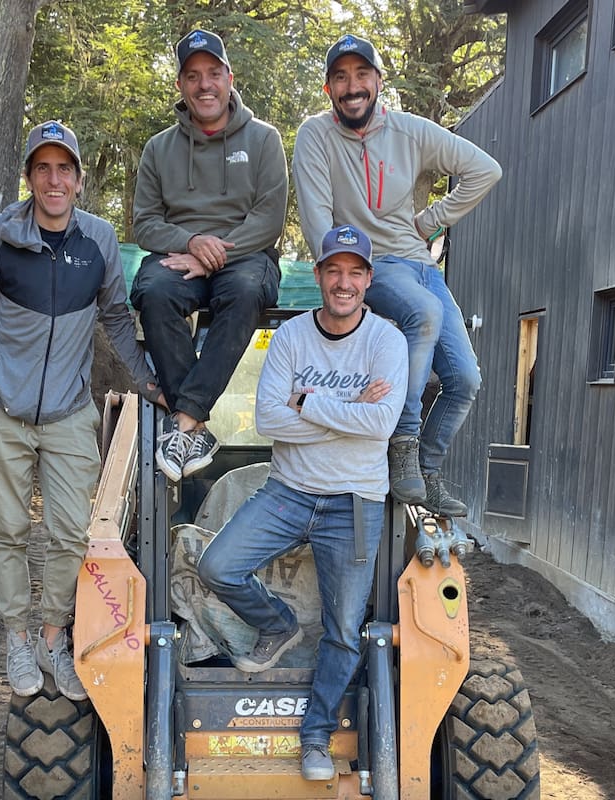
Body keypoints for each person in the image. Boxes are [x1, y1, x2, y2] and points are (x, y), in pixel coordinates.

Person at [0, 120, 162, 699]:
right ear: (29, 177)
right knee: (11, 530)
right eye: (42, 168)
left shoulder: (99, 242)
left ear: (78, 179)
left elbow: (117, 318)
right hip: (2, 406)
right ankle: (18, 640)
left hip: (70, 408)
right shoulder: (0, 236)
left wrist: (150, 383)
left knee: (72, 531)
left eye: (63, 168)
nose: (53, 179)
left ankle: (53, 638)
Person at [197, 224, 407, 781]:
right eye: (333, 270)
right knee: (218, 565)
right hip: (289, 491)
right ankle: (278, 622)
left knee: (344, 628)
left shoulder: (387, 341)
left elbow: (381, 425)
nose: (343, 282)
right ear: (318, 276)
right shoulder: (291, 336)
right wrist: (348, 408)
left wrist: (309, 400)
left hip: (354, 502)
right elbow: (269, 420)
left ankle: (315, 735)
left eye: (354, 272)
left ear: (367, 280)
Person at [293, 33, 502, 517]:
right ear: (328, 89)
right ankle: (402, 441)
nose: (352, 87)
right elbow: (317, 222)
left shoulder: (409, 131)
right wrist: (342, 274)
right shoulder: (315, 136)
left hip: (421, 265)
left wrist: (430, 222)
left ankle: (427, 470)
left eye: (361, 75)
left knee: (466, 378)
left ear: (378, 81)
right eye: (341, 78)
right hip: (373, 263)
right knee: (424, 312)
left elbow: (484, 170)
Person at [131, 28, 288, 482]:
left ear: (229, 78)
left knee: (243, 292)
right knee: (155, 291)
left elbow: (269, 219)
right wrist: (190, 242)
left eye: (213, 73)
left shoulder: (263, 140)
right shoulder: (158, 149)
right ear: (180, 85)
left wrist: (212, 252)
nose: (205, 85)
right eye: (193, 75)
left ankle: (183, 420)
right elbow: (144, 222)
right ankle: (194, 424)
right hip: (180, 256)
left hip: (247, 255)